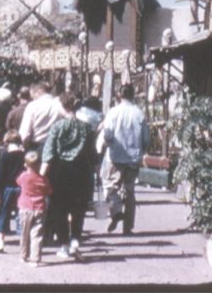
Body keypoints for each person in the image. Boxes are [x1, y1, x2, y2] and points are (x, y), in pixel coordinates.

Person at [41, 92, 97, 258]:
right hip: (81, 171)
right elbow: (93, 155)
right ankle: (75, 241)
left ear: (63, 106)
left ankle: (64, 244)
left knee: (60, 209)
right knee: (78, 208)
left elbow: (48, 153)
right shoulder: (86, 127)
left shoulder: (57, 127)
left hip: (60, 171)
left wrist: (41, 176)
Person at [100, 83, 150, 235]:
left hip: (115, 156)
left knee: (110, 187)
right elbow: (146, 138)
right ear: (133, 95)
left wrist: (107, 144)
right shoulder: (139, 114)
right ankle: (127, 227)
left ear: (119, 95)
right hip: (133, 157)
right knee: (129, 191)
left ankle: (115, 211)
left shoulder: (113, 112)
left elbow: (107, 134)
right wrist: (143, 150)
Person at [16, 151, 53, 267]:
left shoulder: (23, 177)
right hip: (39, 209)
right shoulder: (43, 179)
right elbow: (49, 191)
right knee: (36, 235)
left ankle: (23, 255)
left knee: (24, 234)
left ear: (25, 164)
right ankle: (35, 259)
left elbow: (17, 182)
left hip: (25, 208)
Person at [0, 129, 25, 253]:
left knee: (4, 213)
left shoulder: (5, 155)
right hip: (21, 187)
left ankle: (1, 240)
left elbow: (0, 174)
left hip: (7, 187)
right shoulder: (23, 155)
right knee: (20, 213)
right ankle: (23, 240)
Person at [19, 81, 66, 153]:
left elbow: (24, 133)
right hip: (57, 148)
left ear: (39, 91)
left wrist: (25, 147)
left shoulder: (33, 106)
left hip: (37, 148)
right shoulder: (59, 105)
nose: (33, 98)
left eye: (33, 96)